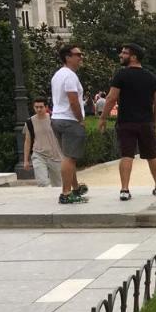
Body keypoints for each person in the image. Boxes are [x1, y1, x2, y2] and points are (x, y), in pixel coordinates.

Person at [100, 42, 156, 201]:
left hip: (126, 121)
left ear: (133, 57)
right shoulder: (151, 77)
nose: (121, 55)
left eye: (124, 53)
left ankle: (124, 189)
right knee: (152, 155)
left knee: (127, 155)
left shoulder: (121, 75)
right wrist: (154, 121)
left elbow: (111, 98)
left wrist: (103, 118)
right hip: (146, 122)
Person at [50, 44, 89, 204]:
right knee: (70, 158)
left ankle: (75, 188)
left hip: (57, 118)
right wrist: (80, 120)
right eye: (78, 54)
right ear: (68, 57)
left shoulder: (58, 75)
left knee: (68, 156)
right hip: (69, 120)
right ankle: (66, 194)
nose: (81, 57)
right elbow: (73, 101)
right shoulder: (70, 76)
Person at [23, 97, 62, 187]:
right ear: (33, 107)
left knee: (58, 185)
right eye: (36, 107)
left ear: (46, 107)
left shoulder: (54, 119)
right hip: (38, 155)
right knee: (42, 183)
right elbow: (27, 141)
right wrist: (26, 160)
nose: (39, 109)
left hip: (56, 156)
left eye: (41, 107)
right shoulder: (30, 122)